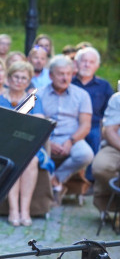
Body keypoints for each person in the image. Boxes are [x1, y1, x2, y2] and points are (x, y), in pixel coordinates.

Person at [0, 61, 46, 226]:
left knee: (32, 160)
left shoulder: (34, 100)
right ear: (8, 79)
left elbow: (40, 122)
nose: (19, 81)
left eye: (24, 78)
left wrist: (12, 120)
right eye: (16, 77)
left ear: (28, 82)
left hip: (28, 144)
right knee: (13, 159)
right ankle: (13, 210)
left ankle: (25, 210)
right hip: (3, 144)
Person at [38, 55, 94, 197]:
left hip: (72, 137)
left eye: (69, 74)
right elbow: (34, 124)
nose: (65, 78)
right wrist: (49, 142)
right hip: (45, 138)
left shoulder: (82, 95)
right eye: (61, 74)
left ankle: (55, 179)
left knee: (86, 154)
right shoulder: (39, 94)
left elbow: (85, 125)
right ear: (51, 75)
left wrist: (71, 141)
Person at [72, 47, 112, 157]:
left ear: (97, 66)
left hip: (94, 125)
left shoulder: (104, 86)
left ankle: (91, 173)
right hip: (71, 124)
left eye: (91, 62)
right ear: (76, 63)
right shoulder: (68, 83)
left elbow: (109, 112)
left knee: (95, 136)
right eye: (84, 61)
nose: (87, 65)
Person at [92, 92, 120, 216]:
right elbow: (109, 131)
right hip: (116, 145)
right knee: (101, 166)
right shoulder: (118, 98)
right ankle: (111, 204)